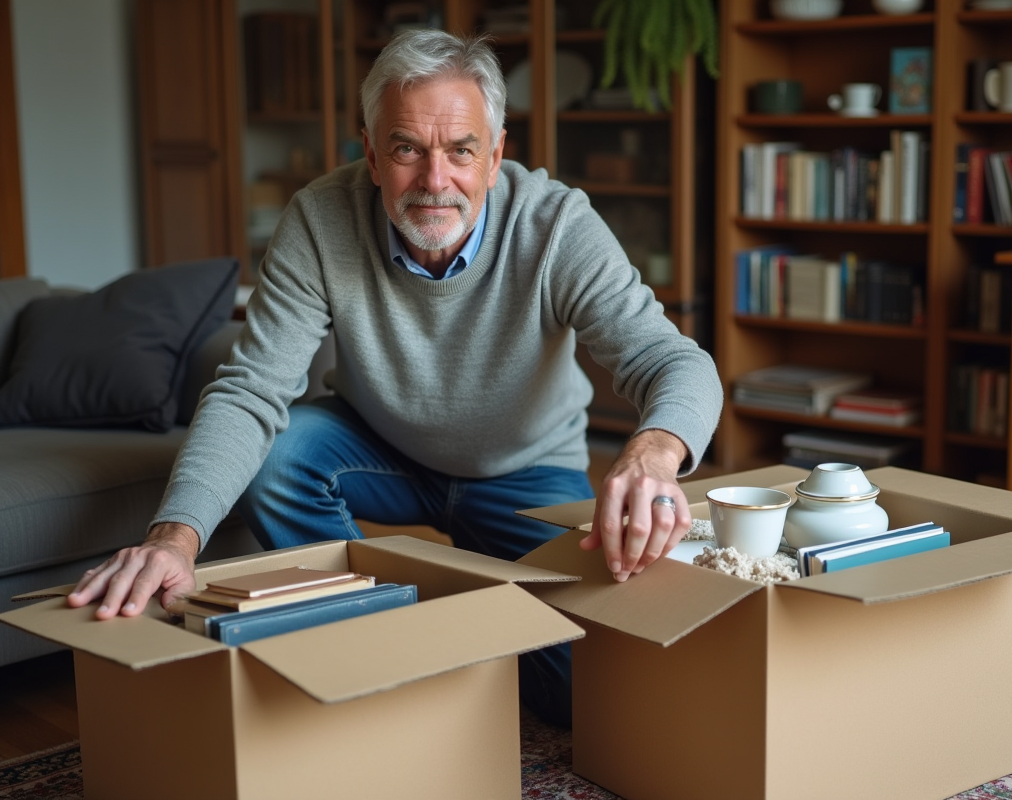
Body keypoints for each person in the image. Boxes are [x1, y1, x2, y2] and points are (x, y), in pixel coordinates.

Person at [66, 29, 722, 726]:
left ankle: (444, 637)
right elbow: (250, 389)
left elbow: (676, 361)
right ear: (372, 154)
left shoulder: (557, 225)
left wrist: (653, 453)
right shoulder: (320, 218)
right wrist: (174, 538)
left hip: (523, 471)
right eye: (407, 149)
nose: (435, 181)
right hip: (375, 453)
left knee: (579, 698)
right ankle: (361, 634)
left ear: (496, 155)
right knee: (280, 456)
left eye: (461, 151)